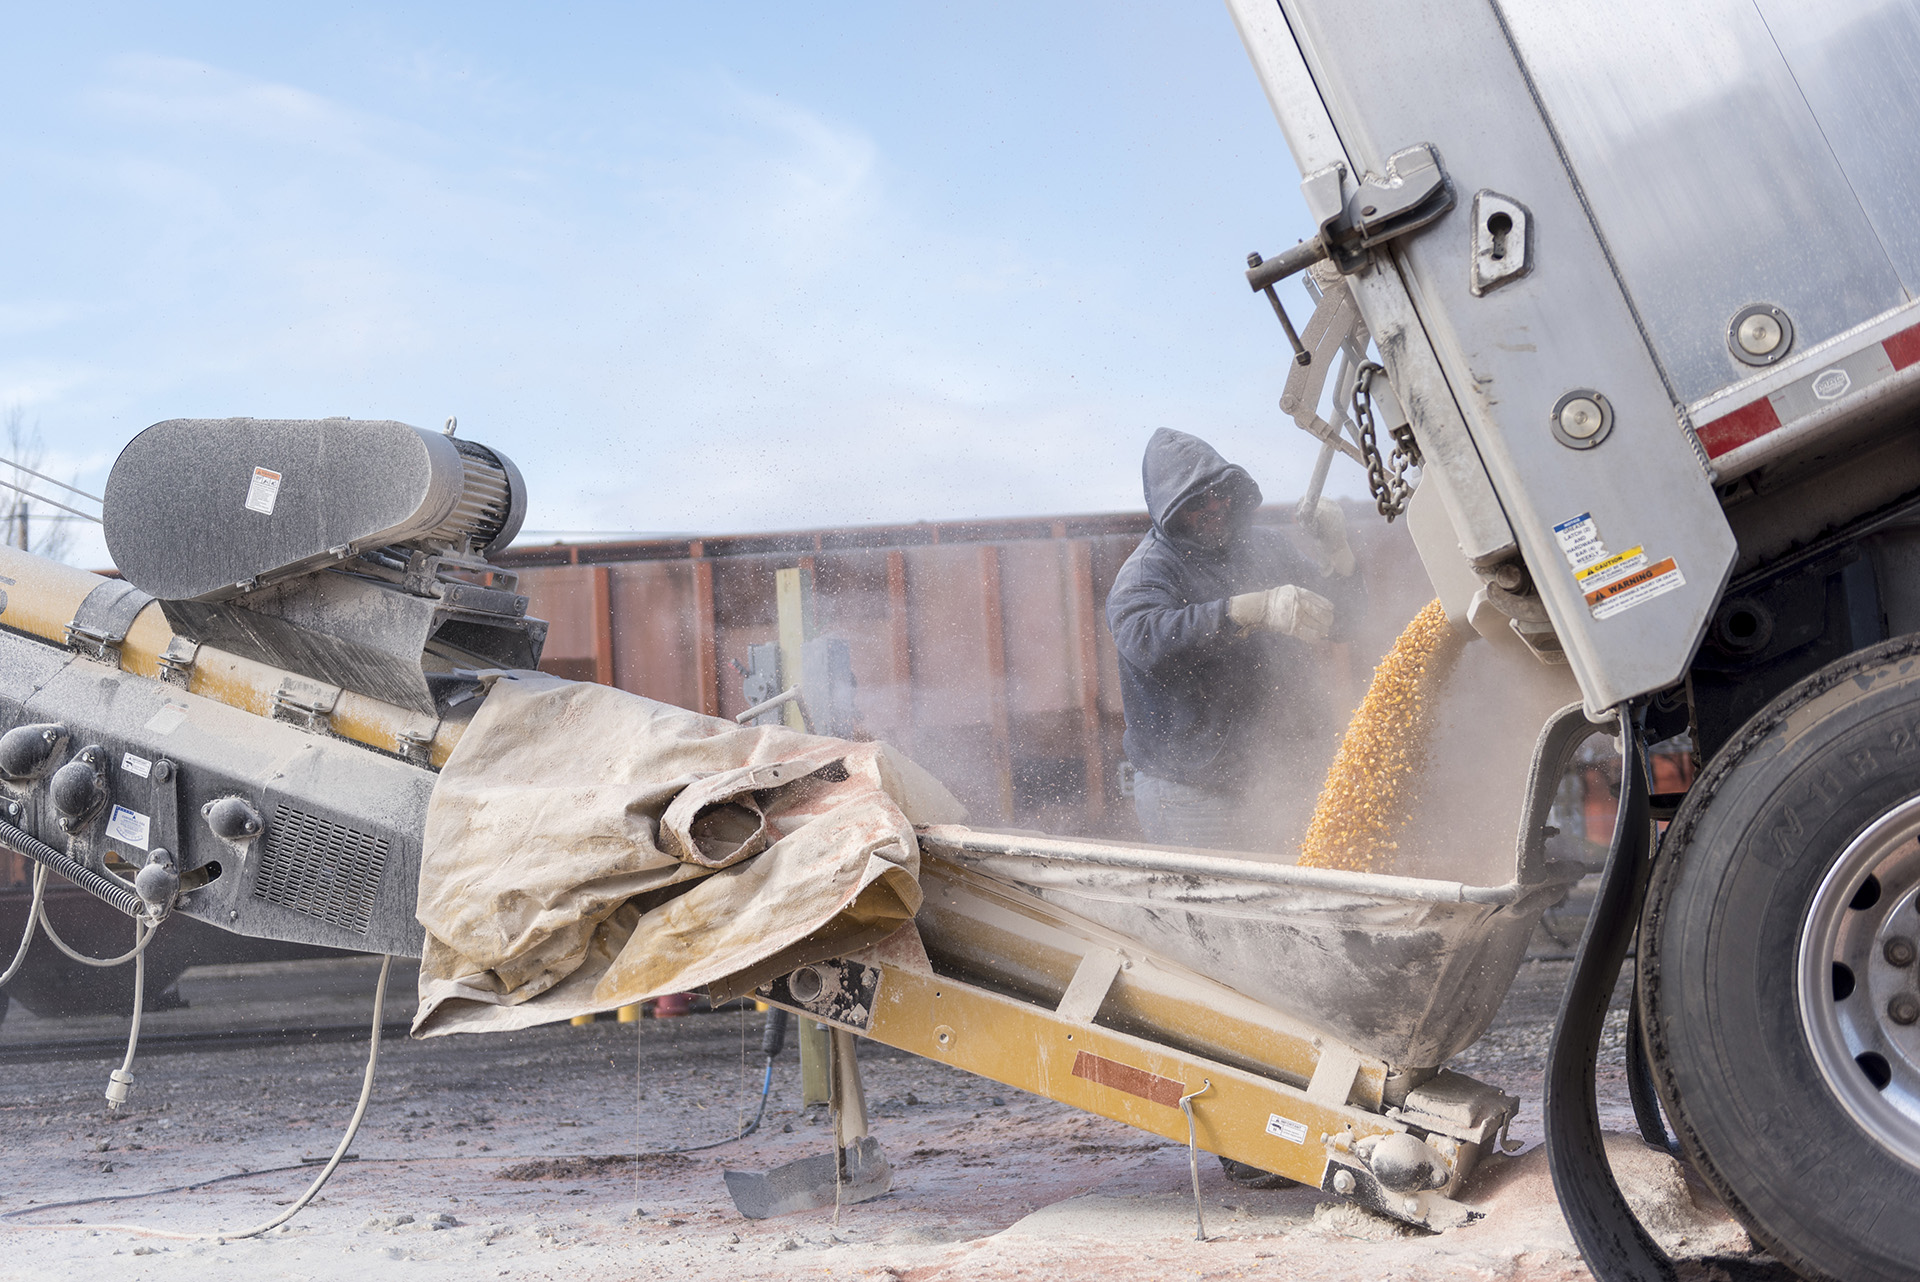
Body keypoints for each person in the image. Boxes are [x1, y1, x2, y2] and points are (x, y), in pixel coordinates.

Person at [1106, 428, 1356, 851]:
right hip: (1194, 793)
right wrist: (1245, 612)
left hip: (1281, 775)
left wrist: (1339, 555)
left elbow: (1344, 620)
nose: (1215, 505)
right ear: (1170, 507)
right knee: (1220, 911)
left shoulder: (1267, 548)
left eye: (1221, 491)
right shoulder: (1150, 570)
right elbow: (1143, 637)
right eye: (1197, 500)